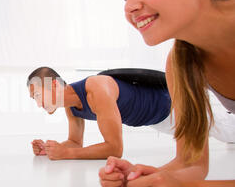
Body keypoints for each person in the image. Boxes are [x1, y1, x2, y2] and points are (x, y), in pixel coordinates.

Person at [99, 0, 235, 187]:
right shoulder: (180, 63)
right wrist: (142, 181)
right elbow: (192, 162)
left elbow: (192, 186)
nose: (129, 6)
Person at [27, 67, 235, 161]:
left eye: (37, 94)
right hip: (157, 120)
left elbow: (114, 149)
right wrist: (51, 149)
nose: (38, 103)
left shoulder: (96, 88)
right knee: (223, 134)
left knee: (228, 132)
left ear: (53, 84)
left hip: (176, 105)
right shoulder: (71, 108)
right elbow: (74, 142)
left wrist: (68, 154)